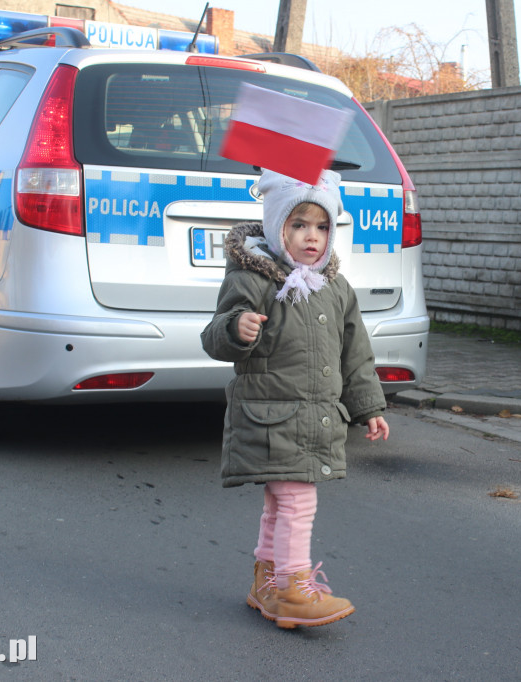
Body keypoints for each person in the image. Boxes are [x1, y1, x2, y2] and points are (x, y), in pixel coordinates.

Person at [201, 169, 389, 629]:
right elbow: (215, 334)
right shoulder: (254, 278)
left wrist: (369, 407)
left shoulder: (335, 287)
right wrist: (236, 328)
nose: (312, 236)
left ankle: (266, 581)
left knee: (280, 503)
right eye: (299, 224)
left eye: (322, 226)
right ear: (276, 227)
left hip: (312, 417)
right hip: (270, 414)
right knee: (298, 503)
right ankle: (293, 589)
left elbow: (355, 354)